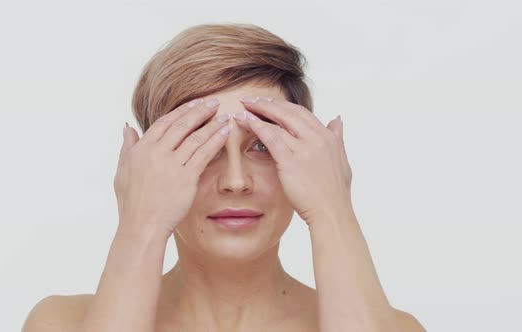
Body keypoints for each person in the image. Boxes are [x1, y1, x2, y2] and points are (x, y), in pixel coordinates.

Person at [22, 23, 426, 332]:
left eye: (263, 146)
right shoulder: (63, 322)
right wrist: (141, 224)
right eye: (201, 145)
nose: (235, 181)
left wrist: (333, 210)